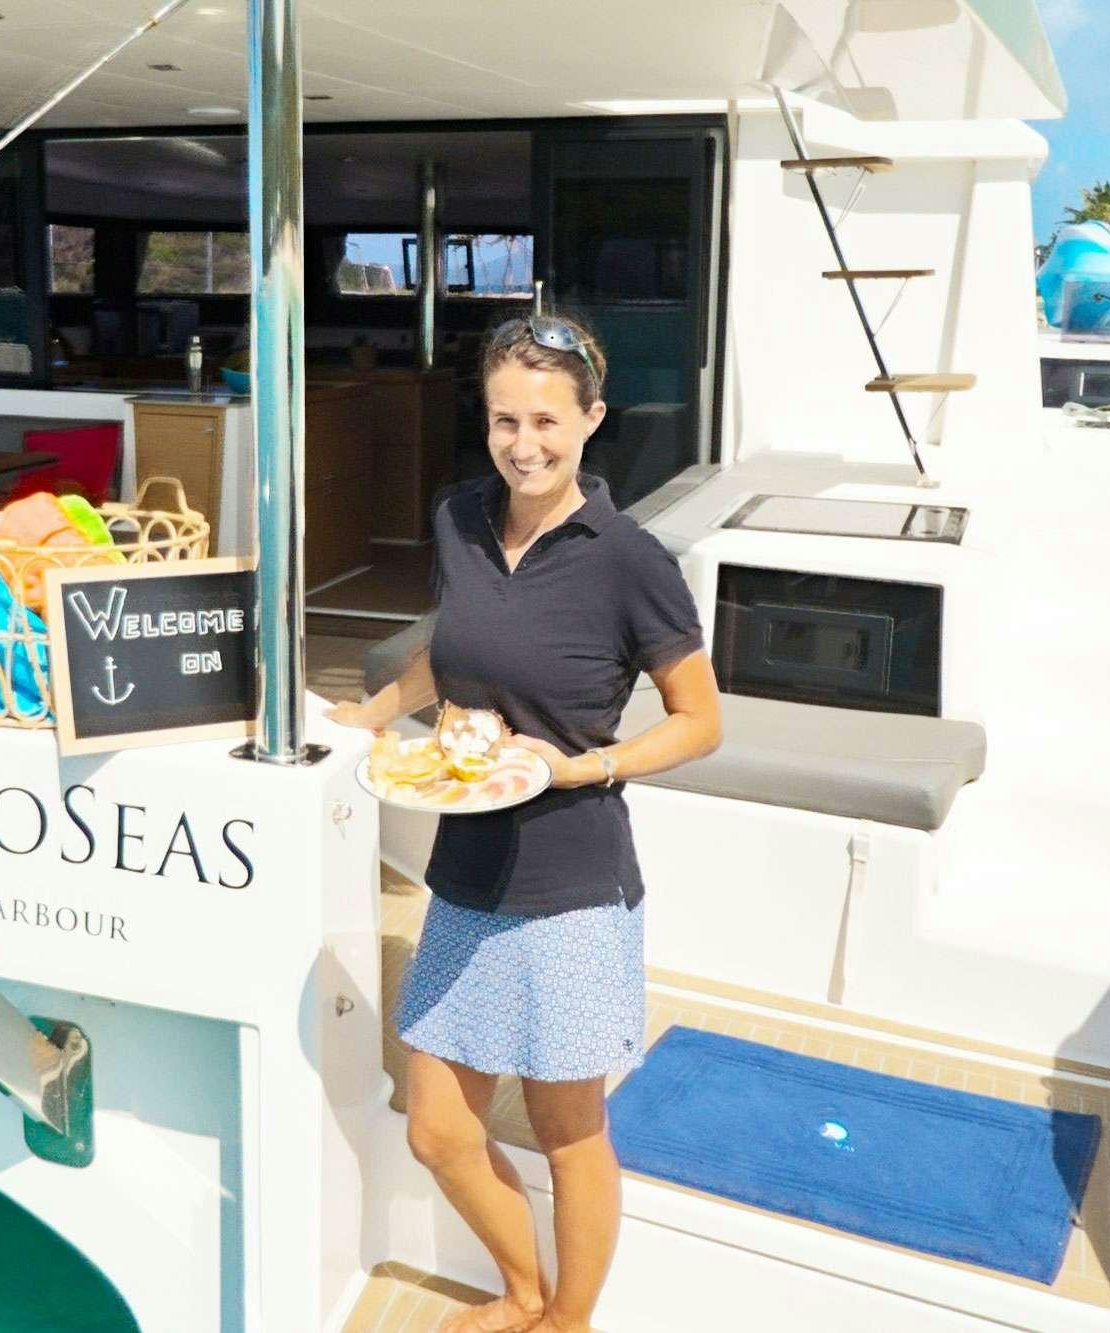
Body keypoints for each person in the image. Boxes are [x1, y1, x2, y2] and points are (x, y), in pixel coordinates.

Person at [329, 314, 722, 1333]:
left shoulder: (628, 558)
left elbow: (699, 721)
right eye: (505, 419)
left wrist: (579, 763)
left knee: (565, 1123)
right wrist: (368, 716)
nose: (524, 442)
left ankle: (565, 1318)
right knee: (436, 1127)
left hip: (572, 881)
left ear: (591, 419)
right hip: (466, 867)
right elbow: (448, 647)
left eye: (546, 420)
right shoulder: (459, 517)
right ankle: (520, 1287)